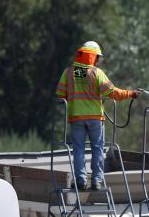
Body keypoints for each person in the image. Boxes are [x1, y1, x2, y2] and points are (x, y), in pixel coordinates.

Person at [55, 41, 139, 190]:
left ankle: (80, 181)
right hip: (94, 118)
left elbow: (61, 94)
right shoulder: (96, 72)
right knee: (97, 149)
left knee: (78, 150)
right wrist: (131, 93)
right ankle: (96, 181)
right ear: (92, 57)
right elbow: (113, 93)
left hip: (76, 118)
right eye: (97, 58)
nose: (98, 61)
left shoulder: (69, 72)